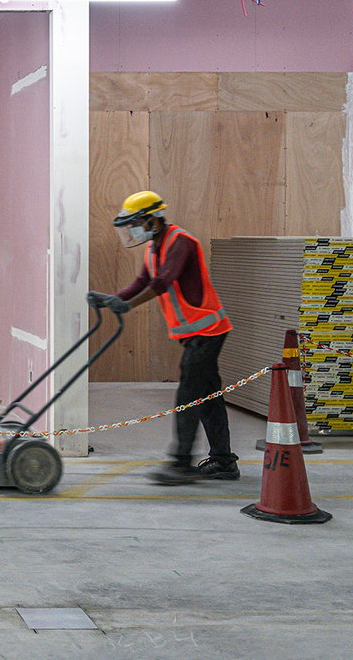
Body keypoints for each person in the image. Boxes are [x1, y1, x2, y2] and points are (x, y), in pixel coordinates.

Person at [89, 191, 239, 485]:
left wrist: (128, 305)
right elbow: (143, 281)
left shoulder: (180, 242)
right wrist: (112, 299)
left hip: (207, 330)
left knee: (189, 395)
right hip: (198, 332)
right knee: (208, 397)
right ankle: (223, 462)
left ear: (152, 220)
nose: (132, 230)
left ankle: (181, 464)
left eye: (135, 223)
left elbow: (162, 282)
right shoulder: (154, 247)